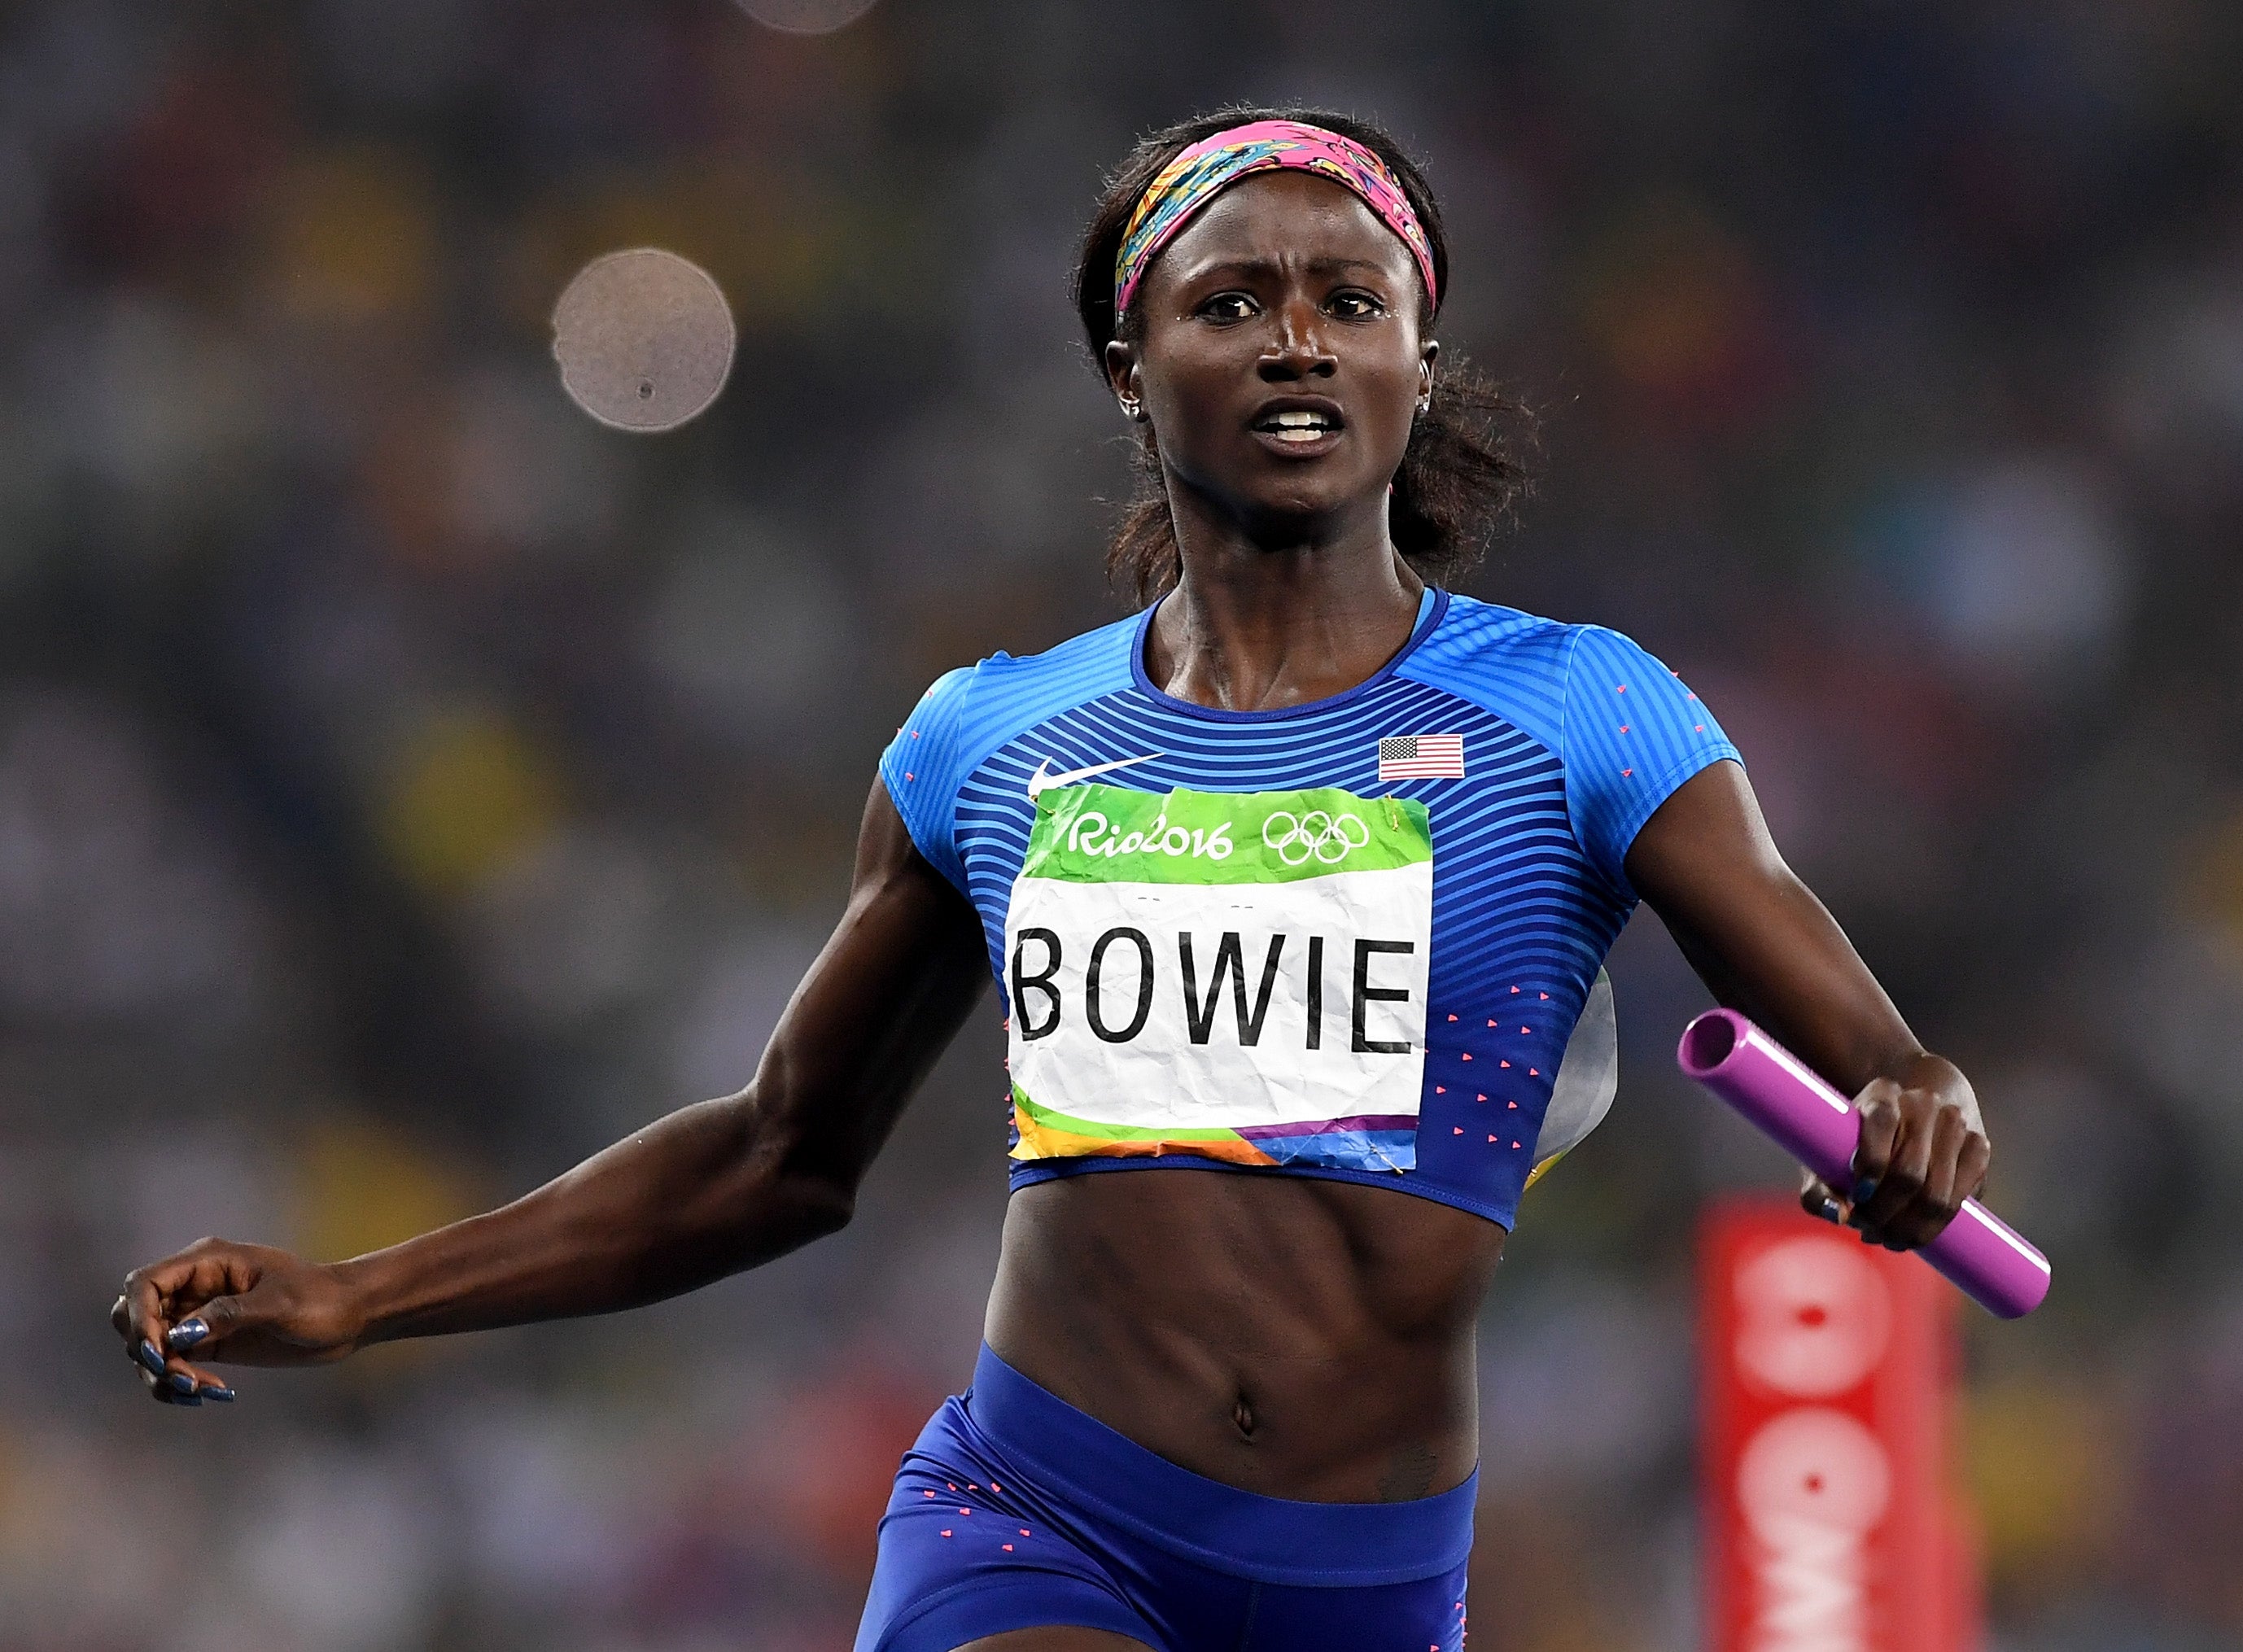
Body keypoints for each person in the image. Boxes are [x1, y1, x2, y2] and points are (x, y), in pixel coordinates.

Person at [111, 108, 1993, 1652]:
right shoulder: (991, 740)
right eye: (1231, 298)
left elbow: (1874, 1050)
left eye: (1352, 300)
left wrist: (1913, 1105)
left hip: (1367, 1582)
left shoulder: (1580, 709)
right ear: (1128, 360)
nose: (1295, 337)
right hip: (1037, 1519)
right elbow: (783, 1152)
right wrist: (363, 1297)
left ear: (1420, 366)